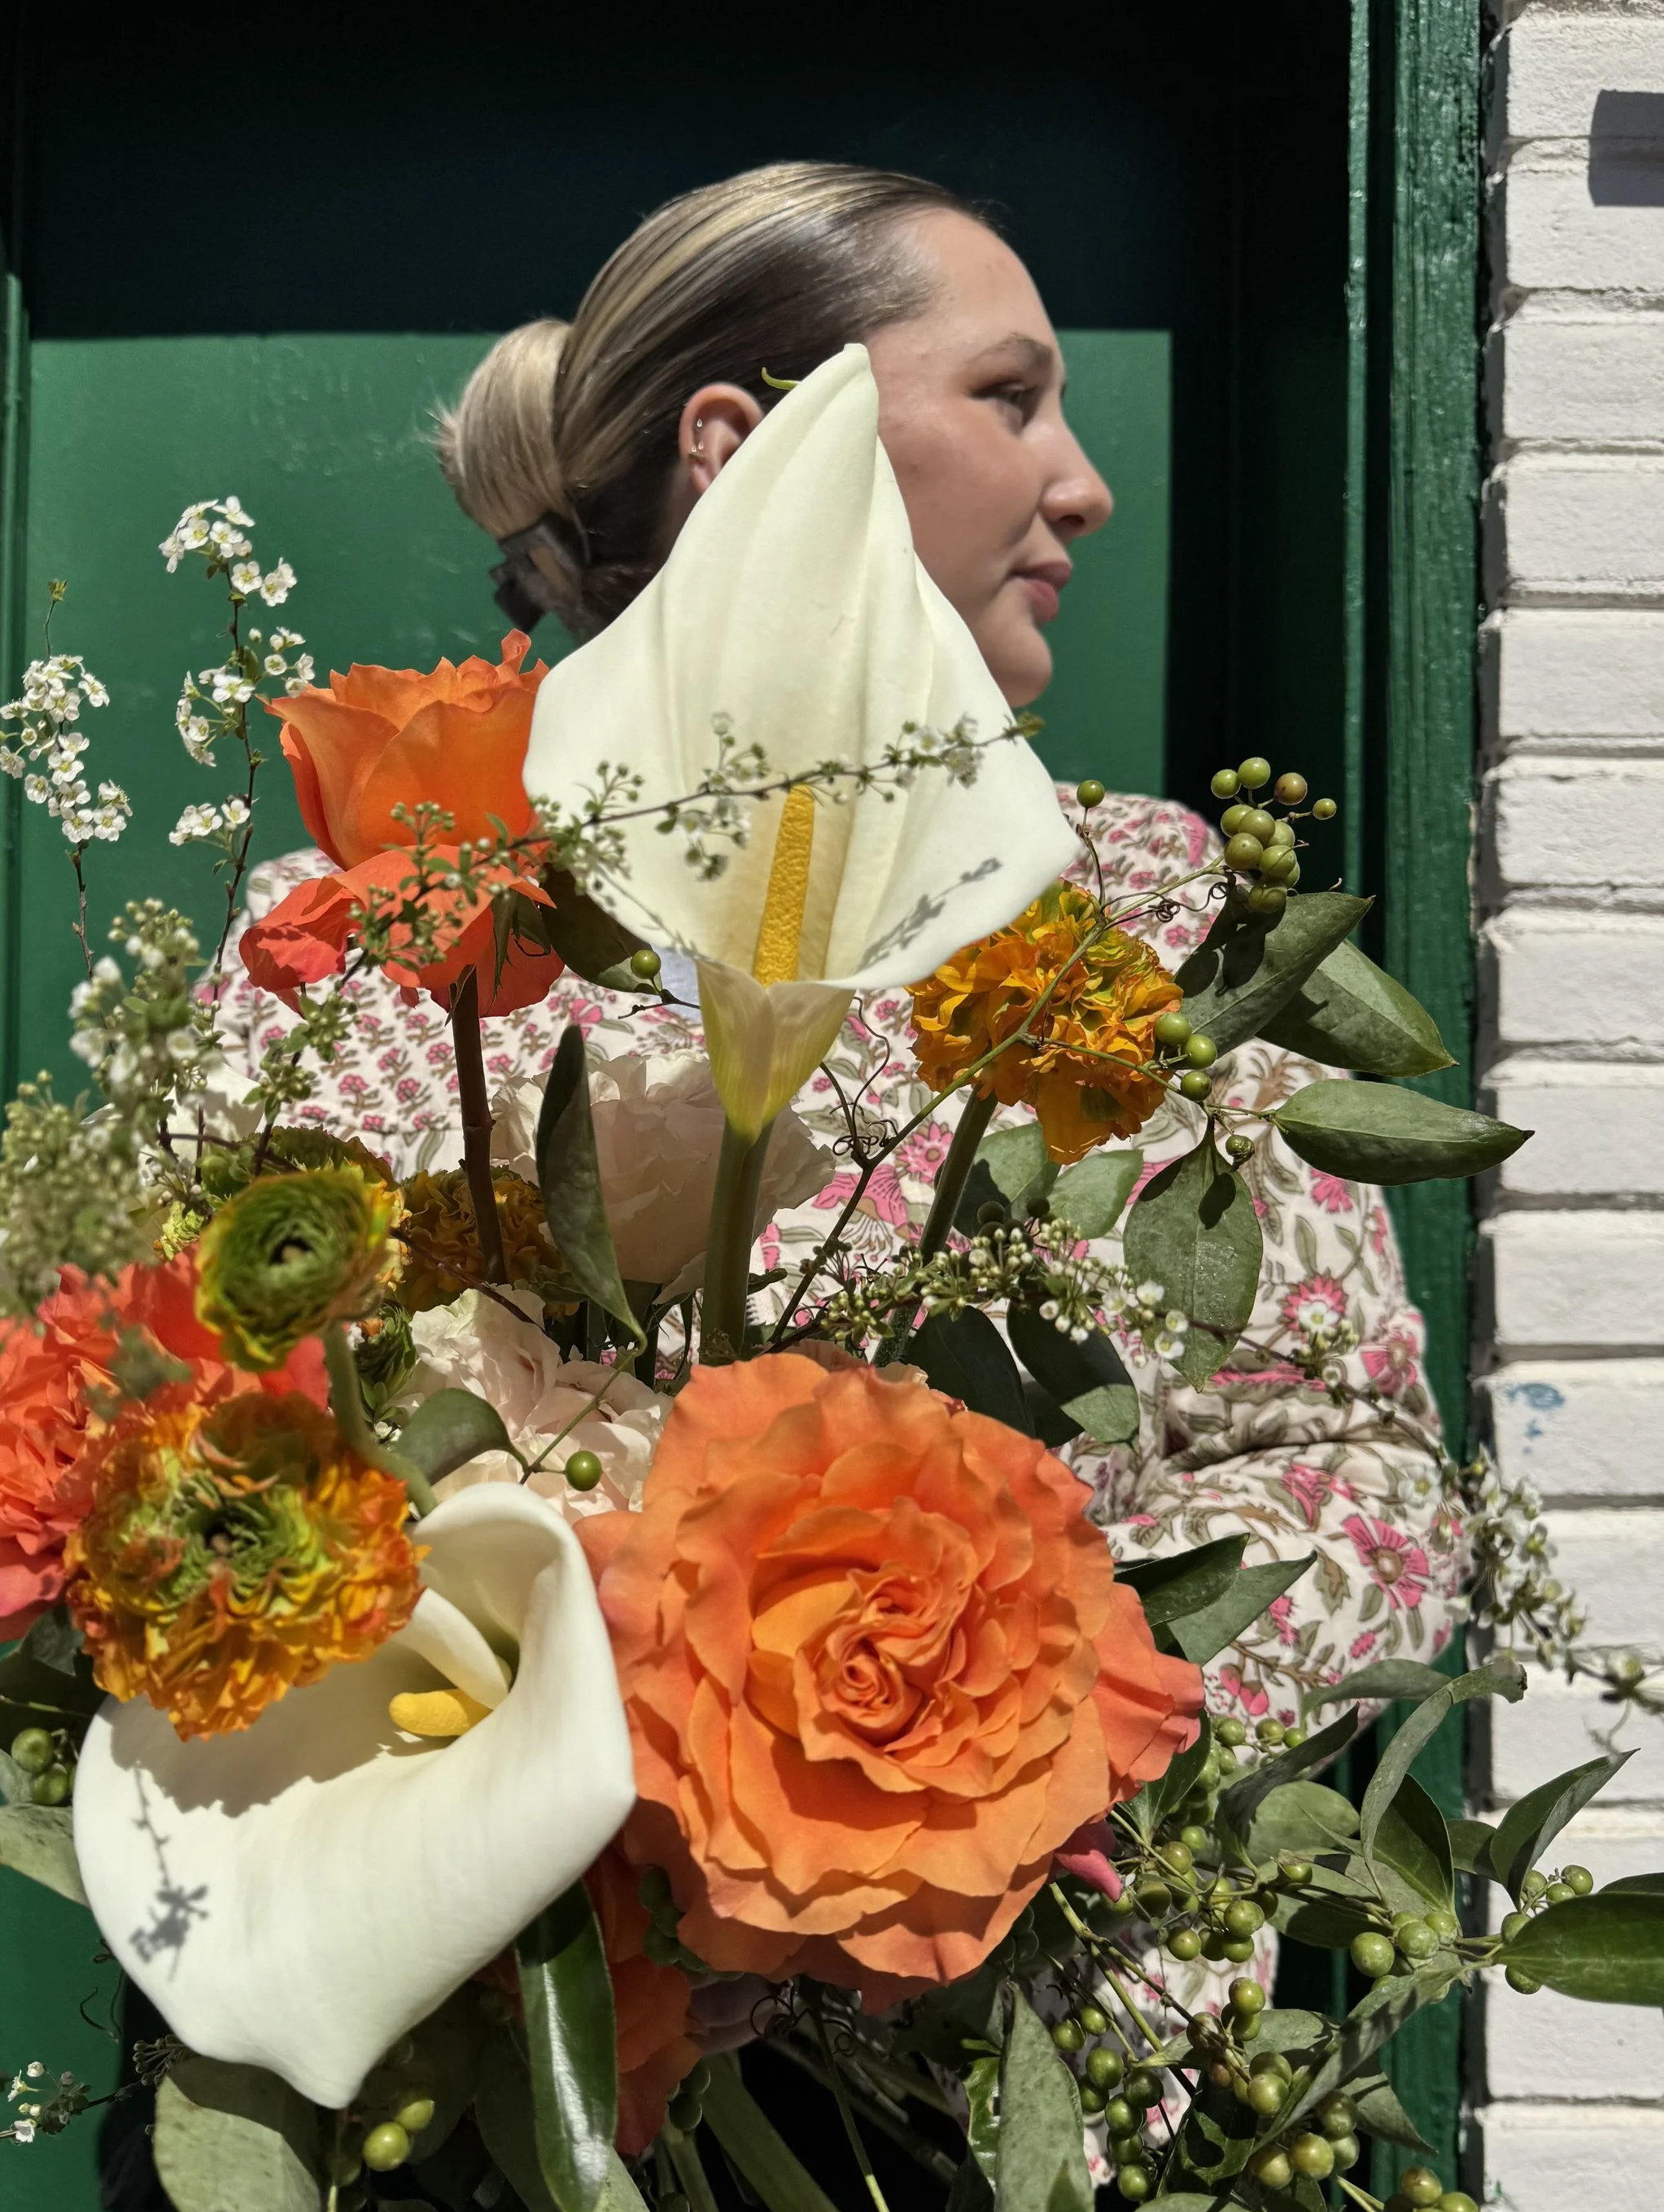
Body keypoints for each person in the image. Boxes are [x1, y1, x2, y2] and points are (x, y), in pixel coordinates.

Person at [215, 161, 1461, 1734]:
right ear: (752, 453)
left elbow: (1357, 1471)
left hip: (1018, 1931)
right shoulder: (349, 927)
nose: (1085, 487)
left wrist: (996, 1746)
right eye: (1009, 397)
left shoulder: (1132, 911)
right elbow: (182, 1439)